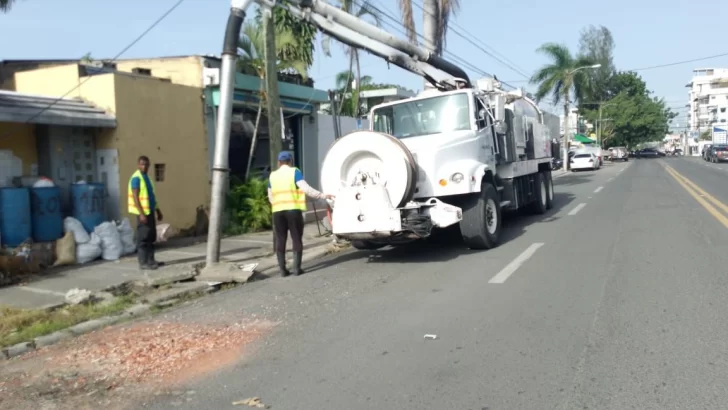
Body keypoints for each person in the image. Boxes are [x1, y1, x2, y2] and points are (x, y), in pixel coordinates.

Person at [268, 151, 334, 277]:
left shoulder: (273, 175)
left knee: (280, 239)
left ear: (279, 162)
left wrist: (277, 204)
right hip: (293, 210)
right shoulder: (294, 172)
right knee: (296, 238)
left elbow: (270, 195)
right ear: (290, 161)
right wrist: (323, 195)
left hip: (277, 212)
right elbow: (306, 188)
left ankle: (282, 270)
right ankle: (297, 269)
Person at [128, 155, 163, 270]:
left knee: (151, 237)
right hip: (142, 213)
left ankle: (151, 260)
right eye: (142, 164)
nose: (144, 167)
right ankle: (143, 263)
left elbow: (151, 196)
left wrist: (158, 210)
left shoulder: (146, 178)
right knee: (143, 238)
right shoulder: (136, 178)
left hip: (150, 211)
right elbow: (135, 196)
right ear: (138, 165)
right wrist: (141, 213)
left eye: (146, 164)